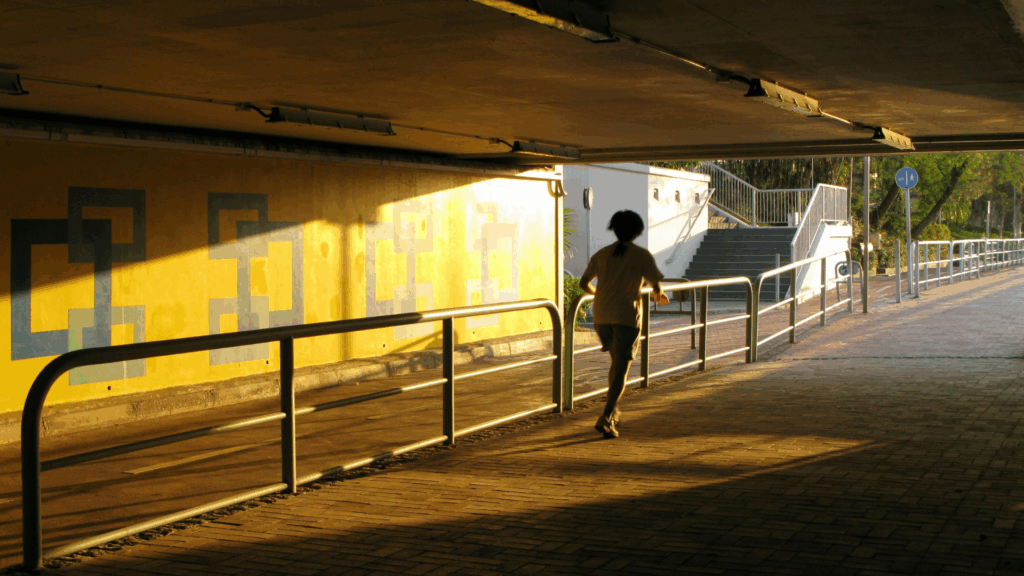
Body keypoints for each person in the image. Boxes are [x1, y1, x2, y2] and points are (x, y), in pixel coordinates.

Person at [579, 210, 669, 439]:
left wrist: (598, 293)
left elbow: (583, 283)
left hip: (602, 316)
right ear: (637, 232)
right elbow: (656, 286)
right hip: (626, 317)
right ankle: (606, 415)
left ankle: (614, 409)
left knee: (616, 365)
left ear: (614, 229)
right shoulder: (641, 255)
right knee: (622, 369)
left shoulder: (602, 254)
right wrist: (660, 296)